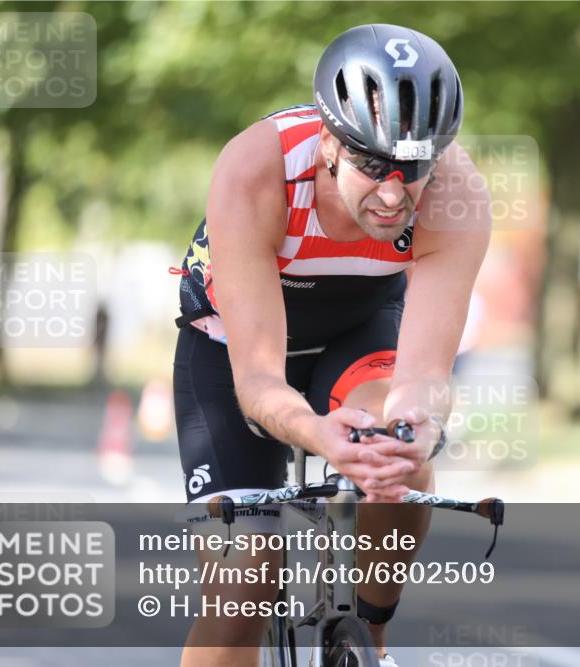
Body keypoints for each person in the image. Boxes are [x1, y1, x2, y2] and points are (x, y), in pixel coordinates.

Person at [171, 23, 490, 667]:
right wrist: (317, 433)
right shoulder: (256, 170)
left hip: (357, 327)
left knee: (398, 455)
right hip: (235, 340)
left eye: (413, 168)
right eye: (373, 165)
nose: (394, 192)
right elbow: (259, 382)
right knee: (245, 585)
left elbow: (425, 376)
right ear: (327, 146)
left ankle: (368, 638)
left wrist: (415, 431)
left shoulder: (457, 196)